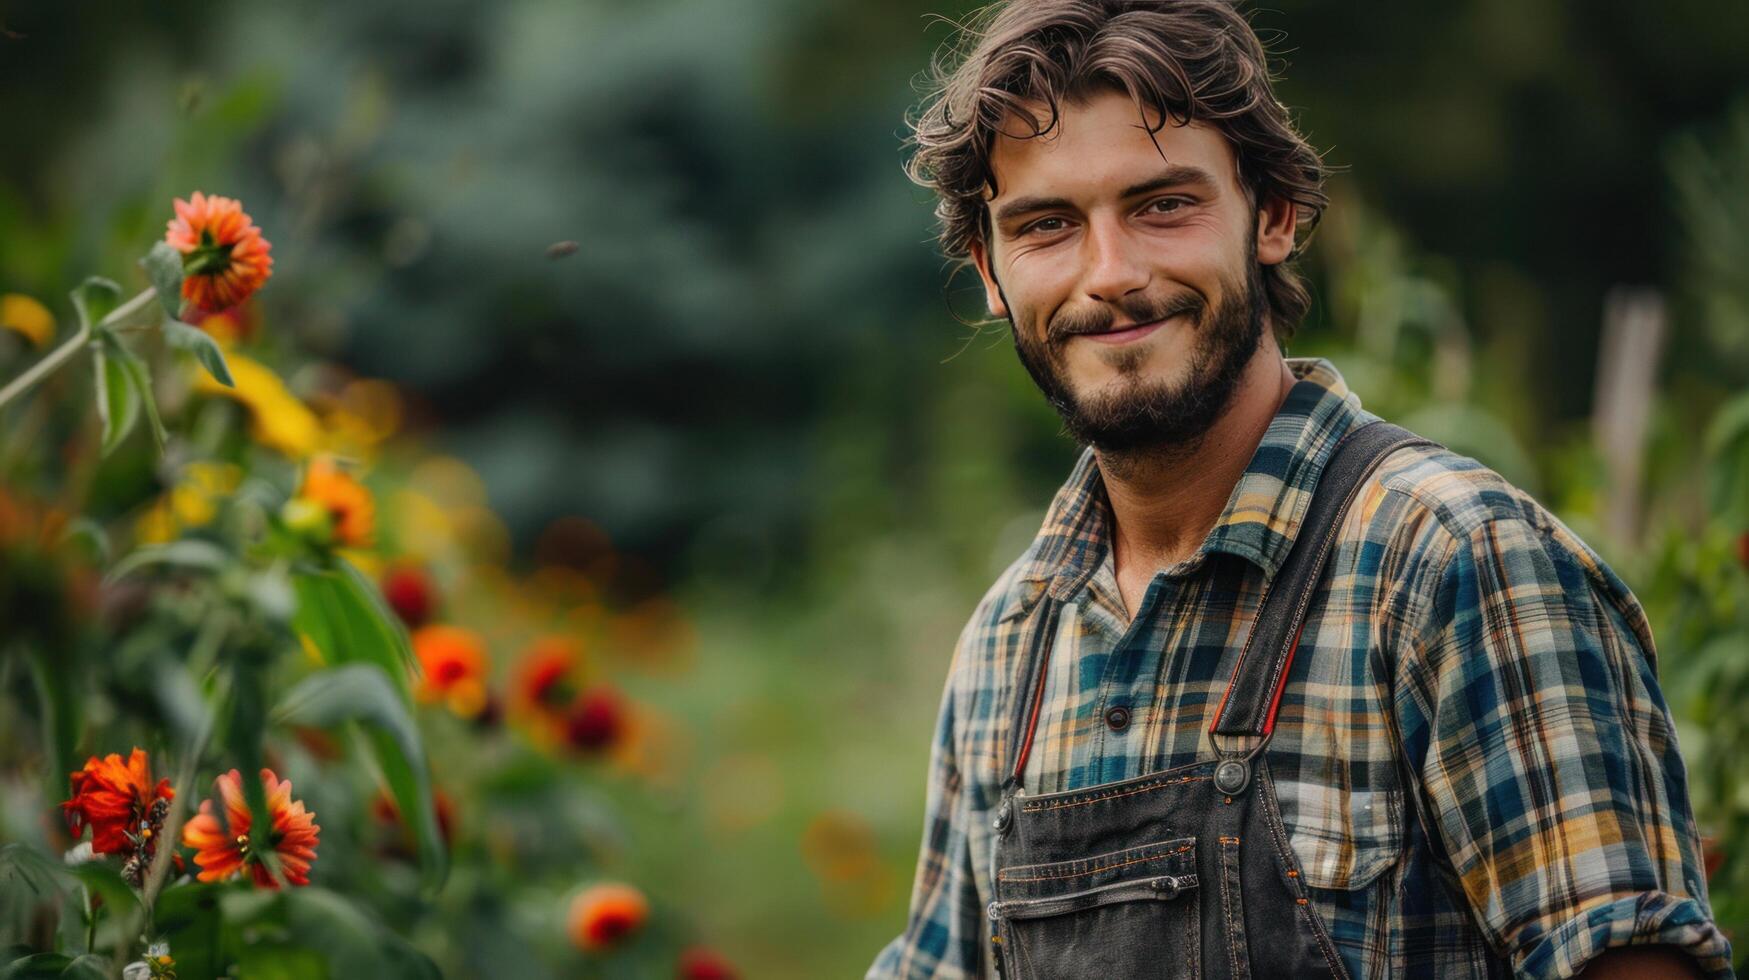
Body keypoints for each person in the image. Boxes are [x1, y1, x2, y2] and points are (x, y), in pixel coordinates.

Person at [864, 2, 1732, 978]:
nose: (1109, 274)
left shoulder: (1452, 559)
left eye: (1162, 205)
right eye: (1047, 225)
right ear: (988, 268)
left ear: (1272, 216)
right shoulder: (1008, 643)